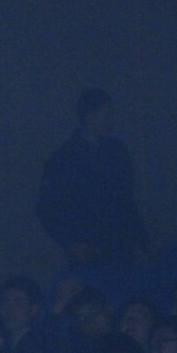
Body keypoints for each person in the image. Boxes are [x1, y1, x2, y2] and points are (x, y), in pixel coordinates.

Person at [36, 88, 147, 266]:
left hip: (121, 246)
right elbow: (47, 208)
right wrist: (71, 242)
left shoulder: (118, 152)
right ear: (89, 117)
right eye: (107, 115)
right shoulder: (64, 158)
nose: (112, 121)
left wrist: (144, 240)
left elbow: (126, 202)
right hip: (87, 251)